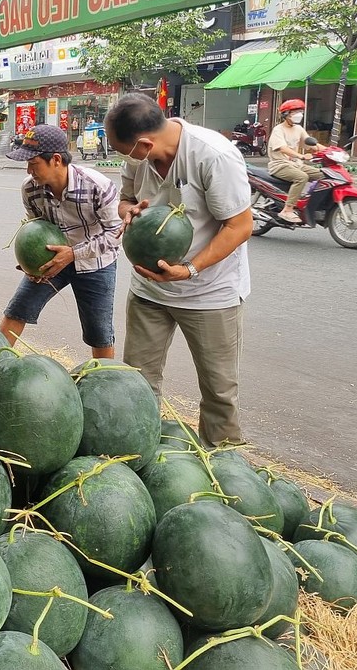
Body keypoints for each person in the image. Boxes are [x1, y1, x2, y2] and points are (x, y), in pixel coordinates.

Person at [106, 93, 253, 447]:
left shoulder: (213, 156)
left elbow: (239, 226)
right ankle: (139, 457)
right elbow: (125, 199)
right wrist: (126, 210)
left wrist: (188, 269)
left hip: (210, 293)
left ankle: (225, 470)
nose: (123, 157)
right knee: (138, 383)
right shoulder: (139, 160)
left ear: (143, 143)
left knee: (219, 391)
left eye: (123, 150)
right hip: (149, 292)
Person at [0, 124, 121, 359]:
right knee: (17, 310)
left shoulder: (97, 186)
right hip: (54, 261)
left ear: (55, 159)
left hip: (96, 263)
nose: (29, 170)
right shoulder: (30, 189)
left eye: (34, 164)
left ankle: (106, 380)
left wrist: (73, 253)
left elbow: (115, 234)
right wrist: (30, 265)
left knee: (100, 332)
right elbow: (36, 230)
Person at [267, 98, 326, 224]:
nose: (299, 114)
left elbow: (312, 144)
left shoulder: (298, 129)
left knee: (323, 175)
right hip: (279, 165)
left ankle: (307, 202)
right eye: (295, 112)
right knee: (302, 177)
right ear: (286, 114)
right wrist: (301, 156)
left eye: (300, 111)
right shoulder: (279, 130)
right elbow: (283, 148)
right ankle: (287, 210)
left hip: (295, 165)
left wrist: (331, 151)